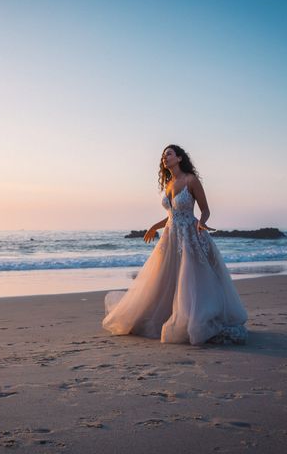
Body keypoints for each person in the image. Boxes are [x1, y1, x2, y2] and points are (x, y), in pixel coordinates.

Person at [102, 144, 248, 345]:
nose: (165, 158)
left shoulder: (191, 180)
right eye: (163, 156)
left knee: (190, 280)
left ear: (179, 158)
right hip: (170, 237)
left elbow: (205, 209)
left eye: (168, 154)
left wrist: (202, 223)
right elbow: (171, 215)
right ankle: (167, 317)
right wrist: (155, 226)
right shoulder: (168, 184)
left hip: (191, 235)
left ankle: (192, 320)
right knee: (166, 279)